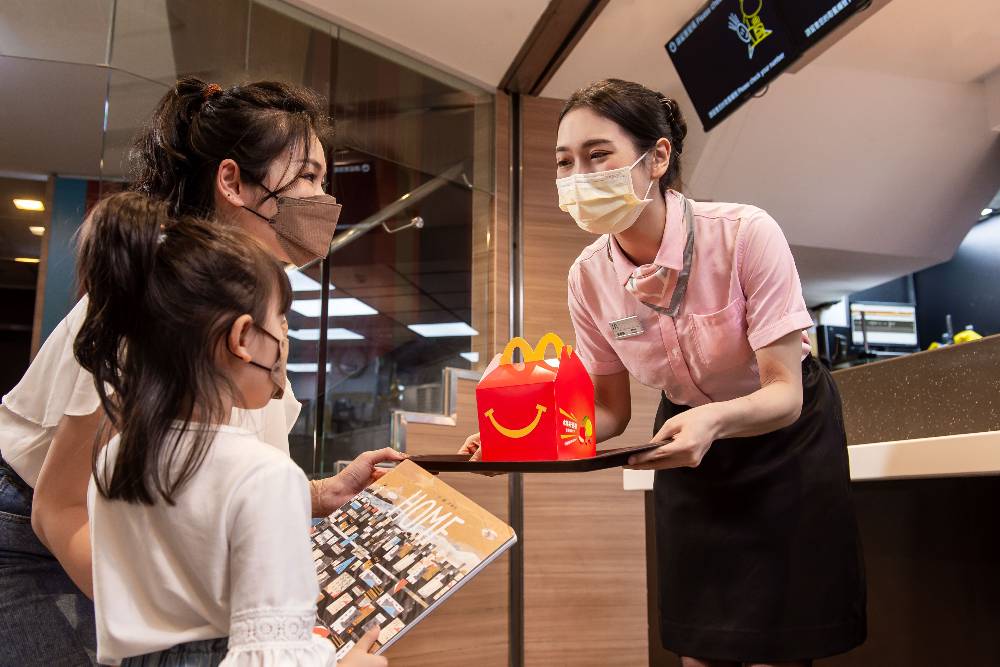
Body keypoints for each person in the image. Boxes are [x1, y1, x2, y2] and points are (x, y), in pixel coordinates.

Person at [462, 79, 865, 667]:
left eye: (598, 155)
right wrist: (526, 442)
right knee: (699, 638)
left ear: (657, 158)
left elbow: (783, 394)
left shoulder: (745, 234)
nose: (578, 175)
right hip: (685, 443)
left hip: (785, 440)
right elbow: (610, 412)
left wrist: (714, 422)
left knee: (778, 645)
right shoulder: (587, 277)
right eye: (565, 162)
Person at [0, 78, 403, 664]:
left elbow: (218, 471)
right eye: (309, 176)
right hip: (43, 535)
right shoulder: (155, 304)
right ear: (234, 181)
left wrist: (317, 494)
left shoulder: (260, 309)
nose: (325, 199)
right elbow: (57, 507)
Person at [75, 192, 385, 665]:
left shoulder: (115, 460)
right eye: (281, 321)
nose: (285, 337)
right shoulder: (263, 475)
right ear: (243, 338)